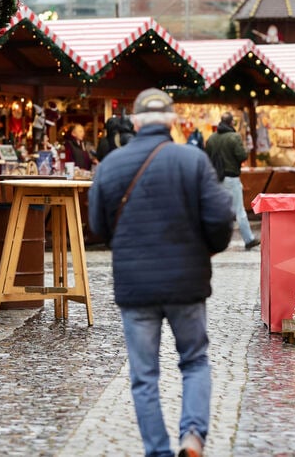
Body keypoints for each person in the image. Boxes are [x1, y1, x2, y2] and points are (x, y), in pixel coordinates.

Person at [88, 88, 234, 457]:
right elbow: (221, 218)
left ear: (134, 123)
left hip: (135, 287)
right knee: (195, 360)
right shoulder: (193, 161)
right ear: (172, 121)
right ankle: (192, 438)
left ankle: (157, 451)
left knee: (143, 377)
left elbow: (98, 228)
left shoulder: (110, 166)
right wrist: (206, 251)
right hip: (187, 282)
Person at [205, 112, 259, 249]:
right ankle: (248, 239)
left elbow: (207, 158)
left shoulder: (211, 138)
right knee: (239, 210)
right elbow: (241, 156)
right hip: (231, 178)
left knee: (217, 209)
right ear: (231, 123)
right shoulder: (234, 137)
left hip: (216, 179)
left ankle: (212, 240)